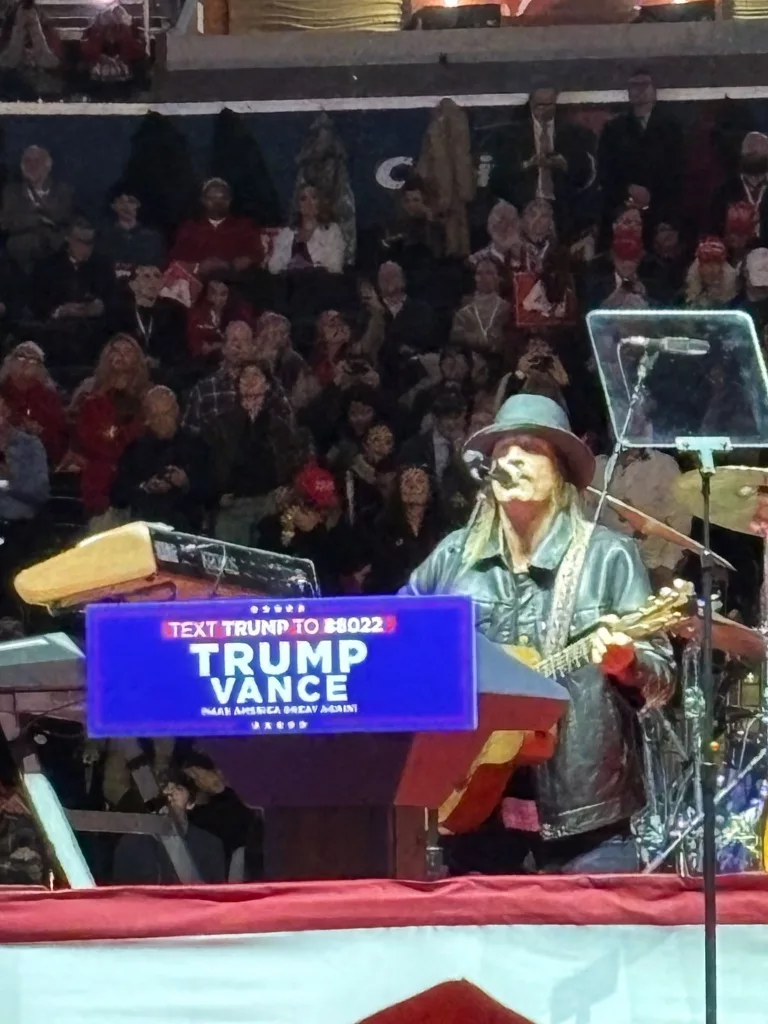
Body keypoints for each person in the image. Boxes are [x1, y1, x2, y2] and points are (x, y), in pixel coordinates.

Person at [403, 393, 675, 874]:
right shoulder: (455, 557)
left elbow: (662, 678)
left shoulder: (607, 556)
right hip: (475, 810)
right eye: (502, 450)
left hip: (587, 821)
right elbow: (398, 640)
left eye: (529, 448)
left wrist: (627, 664)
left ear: (560, 472)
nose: (511, 459)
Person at [204, 361, 298, 547]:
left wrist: (286, 489)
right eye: (244, 376)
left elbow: (291, 463)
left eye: (256, 375)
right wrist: (217, 496)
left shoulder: (279, 426)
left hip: (270, 503)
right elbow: (211, 465)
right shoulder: (220, 424)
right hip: (234, 505)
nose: (249, 380)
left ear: (267, 385)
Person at [66, 334, 149, 526]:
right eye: (116, 351)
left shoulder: (148, 396)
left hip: (137, 478)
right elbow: (89, 440)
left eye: (127, 351)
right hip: (100, 481)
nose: (121, 356)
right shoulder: (89, 396)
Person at [489, 85, 594, 237]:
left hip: (563, 211)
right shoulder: (510, 135)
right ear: (530, 102)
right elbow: (498, 177)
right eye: (539, 105)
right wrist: (526, 165)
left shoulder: (574, 133)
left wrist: (565, 165)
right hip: (522, 208)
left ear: (556, 102)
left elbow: (586, 176)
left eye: (548, 105)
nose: (543, 109)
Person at [597, 70, 684, 244]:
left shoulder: (672, 127)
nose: (639, 90)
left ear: (654, 90)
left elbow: (679, 172)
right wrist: (627, 189)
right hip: (622, 212)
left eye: (644, 85)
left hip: (662, 213)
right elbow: (605, 169)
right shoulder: (614, 128)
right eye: (634, 85)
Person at [589, 447, 692, 591]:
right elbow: (584, 516)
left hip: (649, 568)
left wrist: (666, 567)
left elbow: (681, 521)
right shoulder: (598, 466)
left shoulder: (664, 465)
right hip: (602, 567)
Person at [112, 385, 208, 532]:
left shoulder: (196, 444)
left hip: (184, 524)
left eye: (166, 414)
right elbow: (118, 494)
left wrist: (186, 482)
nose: (161, 421)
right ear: (147, 418)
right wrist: (145, 487)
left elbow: (211, 492)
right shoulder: (135, 448)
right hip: (144, 523)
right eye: (155, 416)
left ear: (176, 411)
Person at [112, 771, 226, 885]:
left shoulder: (210, 845)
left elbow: (215, 892)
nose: (169, 793)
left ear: (190, 803)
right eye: (163, 788)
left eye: (178, 788)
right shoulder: (130, 844)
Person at [369, 464, 445, 593]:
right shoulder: (383, 526)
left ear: (430, 491)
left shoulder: (441, 526)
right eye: (407, 481)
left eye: (419, 481)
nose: (412, 487)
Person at [170, 178, 263, 278]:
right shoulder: (190, 228)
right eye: (211, 198)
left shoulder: (244, 226)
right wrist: (198, 267)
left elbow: (256, 254)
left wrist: (232, 265)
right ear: (203, 200)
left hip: (235, 280)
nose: (217, 202)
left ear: (230, 200)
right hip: (198, 281)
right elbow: (176, 259)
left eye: (222, 198)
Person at [0, 145, 72, 272]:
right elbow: (6, 222)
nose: (31, 165)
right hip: (19, 261)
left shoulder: (62, 191)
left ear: (48, 166)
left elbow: (61, 219)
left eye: (37, 161)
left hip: (54, 258)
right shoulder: (11, 192)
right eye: (27, 160)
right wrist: (38, 219)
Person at [182, 319, 257, 435]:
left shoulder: (269, 387)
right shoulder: (204, 390)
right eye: (234, 340)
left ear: (253, 348)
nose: (239, 346)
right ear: (224, 348)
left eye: (245, 341)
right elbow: (189, 435)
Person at [0, 340, 67, 468]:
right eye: (21, 356)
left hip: (37, 457)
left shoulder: (49, 397)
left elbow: (59, 434)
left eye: (32, 359)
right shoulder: (2, 391)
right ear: (10, 361)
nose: (26, 361)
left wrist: (41, 432)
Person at [108, 263, 186, 369]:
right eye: (146, 276)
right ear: (133, 285)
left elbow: (179, 354)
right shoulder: (119, 313)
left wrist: (160, 363)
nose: (153, 281)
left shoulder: (174, 313)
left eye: (157, 276)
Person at [268, 184, 345, 275]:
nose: (309, 203)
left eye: (314, 197)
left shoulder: (331, 231)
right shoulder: (286, 233)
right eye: (303, 199)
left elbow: (335, 267)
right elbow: (274, 267)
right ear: (298, 205)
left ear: (320, 202)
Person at [710, 131, 768, 246]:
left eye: (759, 146)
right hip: (733, 253)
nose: (752, 150)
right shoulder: (724, 191)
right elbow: (713, 229)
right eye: (749, 147)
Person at [450, 258, 511, 357]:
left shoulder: (506, 308)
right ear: (474, 277)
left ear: (499, 278)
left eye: (489, 273)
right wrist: (481, 342)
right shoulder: (463, 310)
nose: (483, 277)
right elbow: (456, 335)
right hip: (470, 359)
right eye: (479, 273)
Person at [97, 189, 165, 277]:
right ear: (113, 206)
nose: (126, 206)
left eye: (131, 201)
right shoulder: (103, 237)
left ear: (138, 205)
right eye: (121, 201)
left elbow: (159, 269)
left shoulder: (152, 238)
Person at [186, 276, 252, 364]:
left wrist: (218, 346)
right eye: (213, 292)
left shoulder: (239, 316)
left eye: (223, 294)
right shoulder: (197, 316)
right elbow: (195, 347)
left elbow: (242, 348)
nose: (217, 298)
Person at [684, 236, 739, 310]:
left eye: (716, 264)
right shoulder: (683, 297)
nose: (711, 269)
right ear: (699, 267)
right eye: (707, 264)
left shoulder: (735, 302)